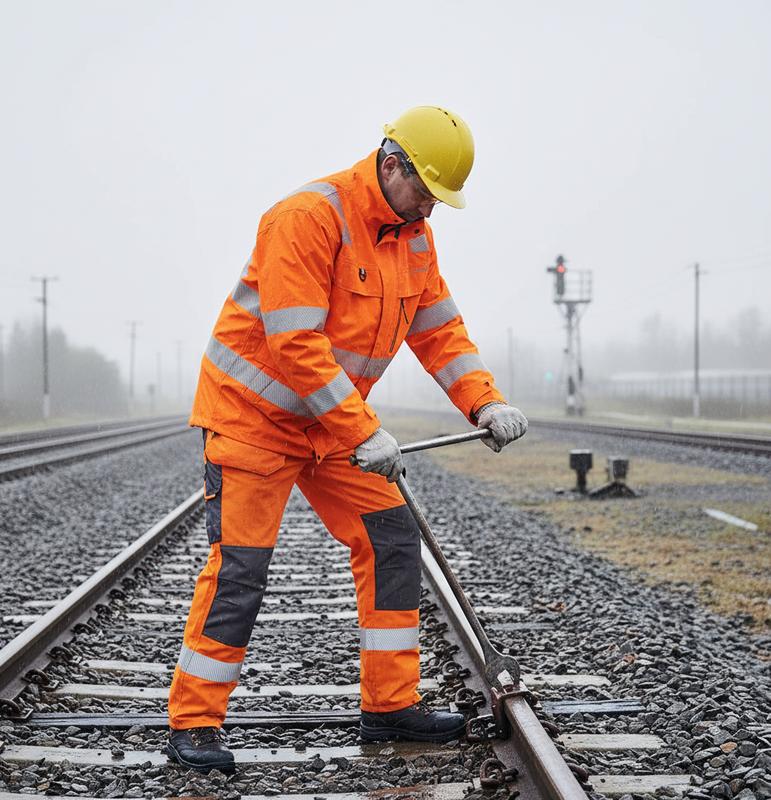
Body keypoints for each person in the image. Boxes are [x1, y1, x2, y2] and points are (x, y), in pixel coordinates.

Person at [166, 105, 528, 773]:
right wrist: (364, 428)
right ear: (391, 165)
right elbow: (295, 344)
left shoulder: (414, 238)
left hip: (332, 426)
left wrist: (485, 400)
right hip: (254, 422)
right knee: (240, 571)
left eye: (437, 201)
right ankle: (194, 723)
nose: (428, 210)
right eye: (423, 193)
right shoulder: (306, 217)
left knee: (391, 538)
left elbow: (441, 334)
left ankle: (390, 704)